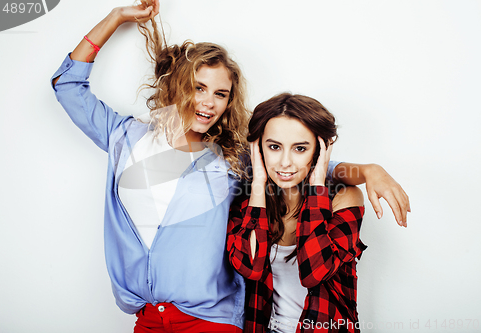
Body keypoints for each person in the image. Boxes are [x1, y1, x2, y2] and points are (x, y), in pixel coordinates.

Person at [50, 1, 409, 332]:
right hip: (147, 318)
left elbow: (300, 166)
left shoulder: (231, 159)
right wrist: (117, 17)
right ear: (178, 87)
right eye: (198, 88)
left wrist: (367, 170)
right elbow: (67, 85)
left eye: (220, 94)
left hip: (211, 319)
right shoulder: (126, 137)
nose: (208, 103)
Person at [227, 93, 369, 333]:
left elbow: (315, 272)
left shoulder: (345, 198)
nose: (285, 162)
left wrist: (317, 186)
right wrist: (259, 184)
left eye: (300, 148)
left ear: (319, 150)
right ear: (258, 147)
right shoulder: (246, 205)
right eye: (274, 147)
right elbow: (251, 268)